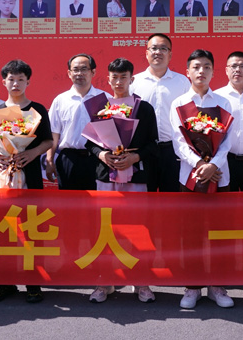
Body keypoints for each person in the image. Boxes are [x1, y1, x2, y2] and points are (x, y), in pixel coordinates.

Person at [87, 58, 159, 304]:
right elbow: (89, 143)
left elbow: (153, 143)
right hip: (105, 177)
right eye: (114, 77)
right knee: (105, 230)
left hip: (136, 176)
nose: (119, 82)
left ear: (132, 79)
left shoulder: (144, 108)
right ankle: (104, 282)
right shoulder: (100, 107)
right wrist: (102, 155)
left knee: (138, 229)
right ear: (108, 79)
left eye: (123, 77)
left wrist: (134, 157)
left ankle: (141, 282)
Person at [0, 59, 53, 304]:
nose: (15, 84)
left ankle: (33, 282)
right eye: (11, 79)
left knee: (31, 228)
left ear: (28, 82)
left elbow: (48, 141)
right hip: (3, 177)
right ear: (3, 82)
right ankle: (4, 282)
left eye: (20, 79)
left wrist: (32, 153)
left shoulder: (37, 110)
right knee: (3, 230)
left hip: (29, 176)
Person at [170, 49, 235, 309]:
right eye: (196, 67)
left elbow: (227, 141)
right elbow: (178, 142)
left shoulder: (224, 102)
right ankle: (192, 286)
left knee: (219, 232)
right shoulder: (179, 103)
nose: (201, 71)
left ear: (213, 71)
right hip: (190, 177)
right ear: (187, 72)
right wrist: (200, 165)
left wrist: (213, 165)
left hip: (220, 176)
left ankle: (217, 285)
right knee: (191, 234)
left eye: (207, 67)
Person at [130, 33, 191, 192]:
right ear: (146, 53)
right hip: (143, 152)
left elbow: (189, 116)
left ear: (170, 54)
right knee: (144, 197)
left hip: (172, 150)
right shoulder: (134, 82)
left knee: (172, 198)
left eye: (163, 49)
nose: (158, 52)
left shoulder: (182, 82)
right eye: (154, 48)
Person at [48, 54, 106, 190]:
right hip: (68, 159)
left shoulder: (104, 98)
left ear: (93, 72)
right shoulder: (61, 100)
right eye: (75, 69)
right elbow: (54, 133)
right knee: (68, 200)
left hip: (97, 159)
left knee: (97, 201)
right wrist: (49, 159)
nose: (79, 73)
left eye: (84, 69)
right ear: (69, 73)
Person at [214, 51, 243, 192]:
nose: (238, 70)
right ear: (226, 70)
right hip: (227, 161)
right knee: (227, 202)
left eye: (242, 66)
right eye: (233, 66)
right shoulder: (217, 97)